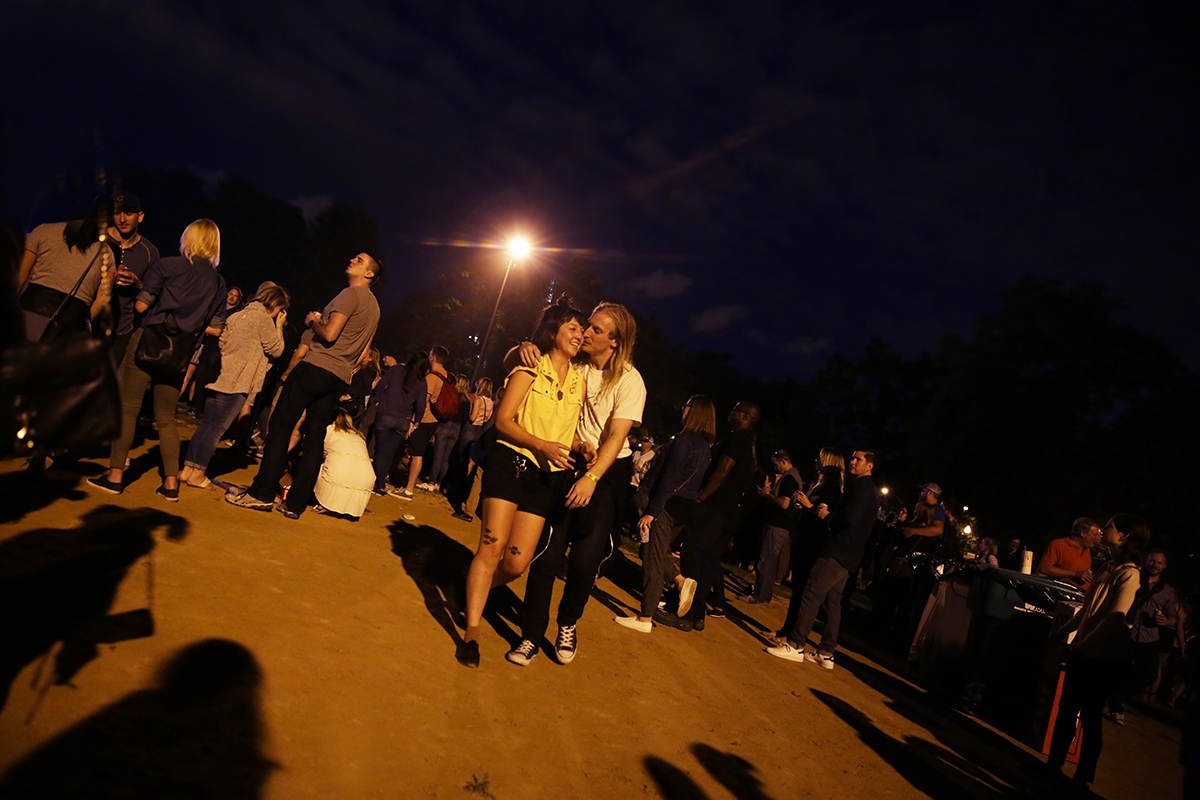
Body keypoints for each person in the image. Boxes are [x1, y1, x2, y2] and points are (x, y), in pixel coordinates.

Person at [507, 303, 646, 666]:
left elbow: (617, 436)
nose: (586, 333)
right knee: (547, 554)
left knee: (585, 560)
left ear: (615, 342)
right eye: (587, 326)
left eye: (597, 330)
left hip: (606, 472)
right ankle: (530, 635)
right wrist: (522, 346)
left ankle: (567, 624)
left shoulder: (630, 381)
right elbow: (524, 364)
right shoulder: (576, 366)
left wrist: (591, 477)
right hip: (567, 461)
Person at [457, 297, 587, 668]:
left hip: (547, 476)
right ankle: (472, 631)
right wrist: (541, 444)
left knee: (516, 564)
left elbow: (566, 430)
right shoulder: (530, 366)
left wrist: (582, 445)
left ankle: (472, 591)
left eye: (581, 330)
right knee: (492, 547)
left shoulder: (578, 381)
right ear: (554, 332)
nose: (578, 336)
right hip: (512, 463)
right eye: (572, 328)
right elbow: (503, 421)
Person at [227, 252, 381, 517]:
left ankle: (261, 493)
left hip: (316, 367)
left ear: (369, 274)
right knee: (314, 438)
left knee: (280, 426)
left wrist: (313, 321)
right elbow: (365, 352)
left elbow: (330, 333)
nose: (352, 260)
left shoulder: (350, 294)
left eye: (359, 260)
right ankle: (296, 504)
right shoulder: (375, 308)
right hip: (339, 377)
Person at [87, 219, 227, 500]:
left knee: (128, 409)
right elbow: (216, 328)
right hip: (180, 352)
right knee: (165, 418)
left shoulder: (167, 265)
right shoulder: (219, 282)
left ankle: (115, 477)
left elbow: (140, 306)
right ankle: (171, 485)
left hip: (148, 341)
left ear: (189, 238)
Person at [1047, 514, 1151, 793]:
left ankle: (1082, 779)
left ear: (1125, 536)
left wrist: (1082, 645)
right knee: (1066, 710)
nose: (1104, 530)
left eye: (1110, 527)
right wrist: (1064, 631)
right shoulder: (1108, 567)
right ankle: (1053, 766)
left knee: (1090, 717)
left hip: (1104, 659)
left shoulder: (1130, 574)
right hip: (1084, 652)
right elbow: (1088, 610)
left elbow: (1115, 620)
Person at [767, 450, 880, 669]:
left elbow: (849, 519)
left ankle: (795, 644)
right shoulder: (866, 489)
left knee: (811, 594)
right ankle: (826, 652)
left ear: (870, 466)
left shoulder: (861, 488)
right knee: (832, 603)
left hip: (837, 552)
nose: (853, 462)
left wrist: (827, 516)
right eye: (853, 458)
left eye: (859, 459)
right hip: (848, 555)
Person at [655, 401, 760, 632]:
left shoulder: (738, 438)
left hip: (712, 508)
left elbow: (723, 471)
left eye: (735, 409)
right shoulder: (751, 444)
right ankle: (696, 613)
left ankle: (685, 614)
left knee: (692, 560)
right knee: (706, 563)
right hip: (728, 512)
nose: (730, 411)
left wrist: (701, 497)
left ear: (745, 416)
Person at [613, 396, 715, 633]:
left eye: (686, 406)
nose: (683, 409)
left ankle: (645, 618)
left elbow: (668, 478)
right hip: (684, 507)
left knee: (652, 559)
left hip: (666, 505)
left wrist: (652, 511)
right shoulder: (705, 447)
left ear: (694, 412)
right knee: (649, 550)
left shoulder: (683, 441)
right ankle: (680, 581)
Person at [177, 285, 289, 488]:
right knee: (216, 431)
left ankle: (187, 470)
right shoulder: (263, 319)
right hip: (239, 381)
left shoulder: (236, 316)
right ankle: (198, 473)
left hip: (221, 376)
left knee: (205, 427)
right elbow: (277, 349)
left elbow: (222, 342)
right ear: (275, 304)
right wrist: (279, 326)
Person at [18, 201, 115, 342]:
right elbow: (102, 299)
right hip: (72, 322)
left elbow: (21, 276)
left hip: (32, 309)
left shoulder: (43, 231)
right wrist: (84, 321)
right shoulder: (106, 252)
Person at [777, 448, 844, 639]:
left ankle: (792, 633)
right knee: (797, 588)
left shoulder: (831, 488)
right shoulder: (820, 483)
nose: (816, 460)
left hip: (811, 543)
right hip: (803, 538)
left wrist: (808, 505)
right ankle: (787, 628)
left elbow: (823, 515)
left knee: (802, 590)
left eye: (820, 458)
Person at [1109, 549, 1181, 723]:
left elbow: (1173, 617)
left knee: (1149, 674)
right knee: (1119, 669)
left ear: (1164, 566)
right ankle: (1116, 707)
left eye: (1159, 562)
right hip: (1127, 631)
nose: (1154, 565)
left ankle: (1118, 697)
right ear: (1146, 561)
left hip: (1149, 636)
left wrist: (1165, 620)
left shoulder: (1167, 590)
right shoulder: (1134, 577)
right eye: (1152, 561)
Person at [105, 193, 160, 368]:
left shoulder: (149, 252)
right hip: (89, 324)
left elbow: (154, 294)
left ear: (140, 217)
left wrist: (137, 284)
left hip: (122, 330)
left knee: (107, 384)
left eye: (128, 213)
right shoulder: (98, 240)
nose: (122, 219)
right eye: (117, 213)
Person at [742, 450, 802, 605]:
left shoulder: (789, 478)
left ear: (783, 461)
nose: (775, 468)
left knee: (766, 560)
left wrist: (766, 494)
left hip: (778, 524)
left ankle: (760, 596)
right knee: (769, 560)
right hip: (783, 525)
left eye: (776, 464)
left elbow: (784, 503)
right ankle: (763, 593)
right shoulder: (794, 477)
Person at [368, 350, 429, 496]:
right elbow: (421, 406)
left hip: (385, 415)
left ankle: (379, 482)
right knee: (389, 452)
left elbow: (381, 385)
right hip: (403, 420)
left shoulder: (396, 370)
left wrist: (377, 401)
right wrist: (416, 423)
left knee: (381, 450)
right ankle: (380, 482)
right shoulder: (421, 382)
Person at [400, 346, 451, 499]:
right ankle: (408, 484)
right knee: (418, 452)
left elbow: (423, 400)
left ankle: (408, 489)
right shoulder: (447, 376)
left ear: (433, 358)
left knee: (416, 454)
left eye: (430, 354)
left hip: (424, 419)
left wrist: (414, 422)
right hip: (435, 421)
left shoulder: (432, 377)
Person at [313, 409, 376, 520]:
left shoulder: (329, 430)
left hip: (340, 475)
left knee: (319, 464)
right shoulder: (358, 435)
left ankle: (325, 502)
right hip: (366, 479)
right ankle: (350, 507)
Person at [447, 377, 495, 521]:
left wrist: (468, 414)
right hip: (480, 431)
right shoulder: (490, 402)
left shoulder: (479, 400)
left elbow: (473, 418)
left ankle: (458, 488)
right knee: (473, 462)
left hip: (470, 429)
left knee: (463, 459)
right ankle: (465, 490)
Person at [429, 374, 469, 489]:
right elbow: (465, 418)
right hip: (456, 429)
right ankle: (439, 483)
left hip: (446, 425)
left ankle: (432, 481)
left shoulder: (452, 396)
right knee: (446, 457)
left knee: (438, 456)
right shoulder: (466, 401)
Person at [1039, 517, 1102, 590]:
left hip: (1081, 597)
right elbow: (1044, 568)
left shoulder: (1087, 550)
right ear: (1083, 534)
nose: (1097, 538)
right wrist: (1075, 574)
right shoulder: (1058, 544)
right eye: (1095, 535)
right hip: (1063, 597)